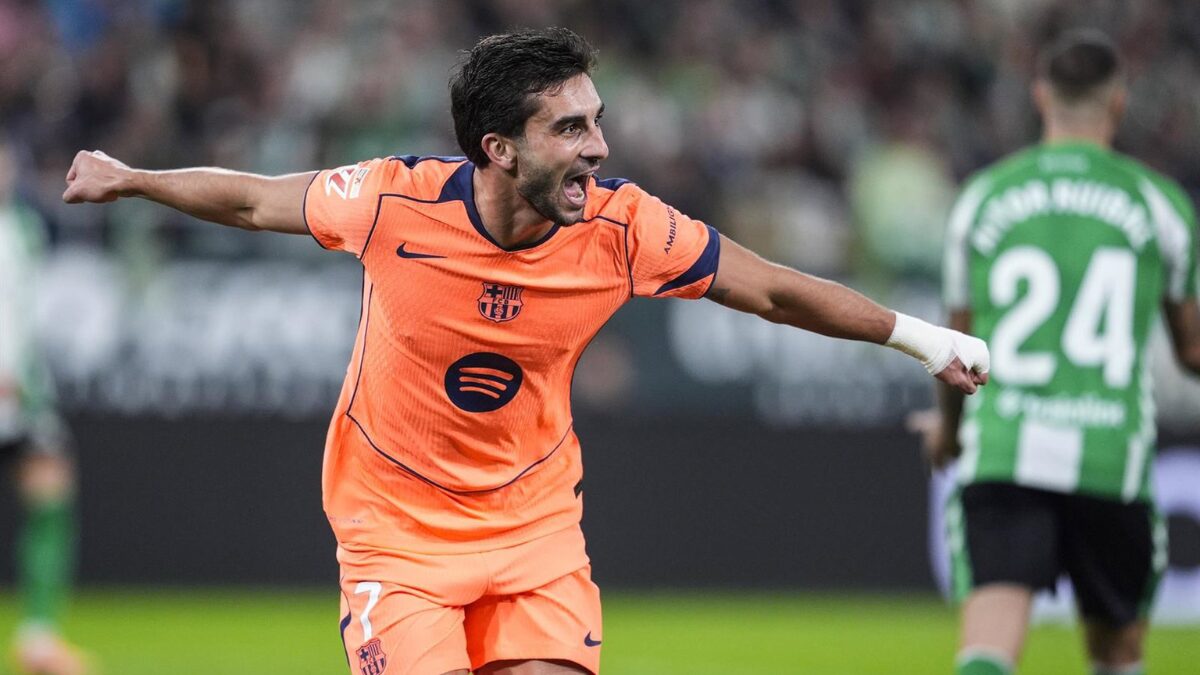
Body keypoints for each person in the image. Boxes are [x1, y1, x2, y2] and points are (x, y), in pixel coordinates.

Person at [63, 28, 988, 675]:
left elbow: (775, 290)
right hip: (395, 532)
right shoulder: (391, 201)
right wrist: (133, 178)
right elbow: (254, 199)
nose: (601, 147)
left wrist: (925, 339)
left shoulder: (626, 228)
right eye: (571, 129)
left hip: (532, 528)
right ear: (499, 148)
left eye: (597, 120)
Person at [911, 29, 1200, 675]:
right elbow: (1191, 350)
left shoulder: (984, 197)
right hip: (1110, 455)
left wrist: (948, 433)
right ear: (1118, 102)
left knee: (988, 644)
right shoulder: (1161, 204)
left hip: (1005, 447)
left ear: (1041, 96)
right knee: (1118, 653)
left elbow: (957, 347)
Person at [0, 140, 89, 675]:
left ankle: (38, 636)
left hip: (22, 393)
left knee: (51, 493)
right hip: (9, 386)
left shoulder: (20, 228)